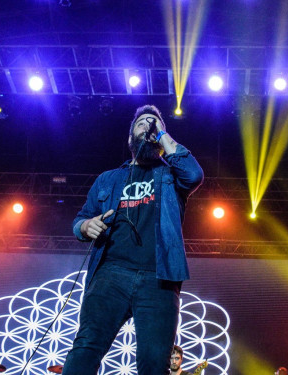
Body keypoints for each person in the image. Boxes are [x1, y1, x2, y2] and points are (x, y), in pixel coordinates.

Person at [62, 105, 204, 375]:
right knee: (85, 351)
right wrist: (85, 226)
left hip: (159, 279)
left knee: (154, 363)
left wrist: (160, 134)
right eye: (142, 123)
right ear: (130, 138)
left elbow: (194, 174)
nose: (148, 126)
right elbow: (80, 220)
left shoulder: (171, 177)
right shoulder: (108, 179)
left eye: (155, 123)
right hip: (110, 274)